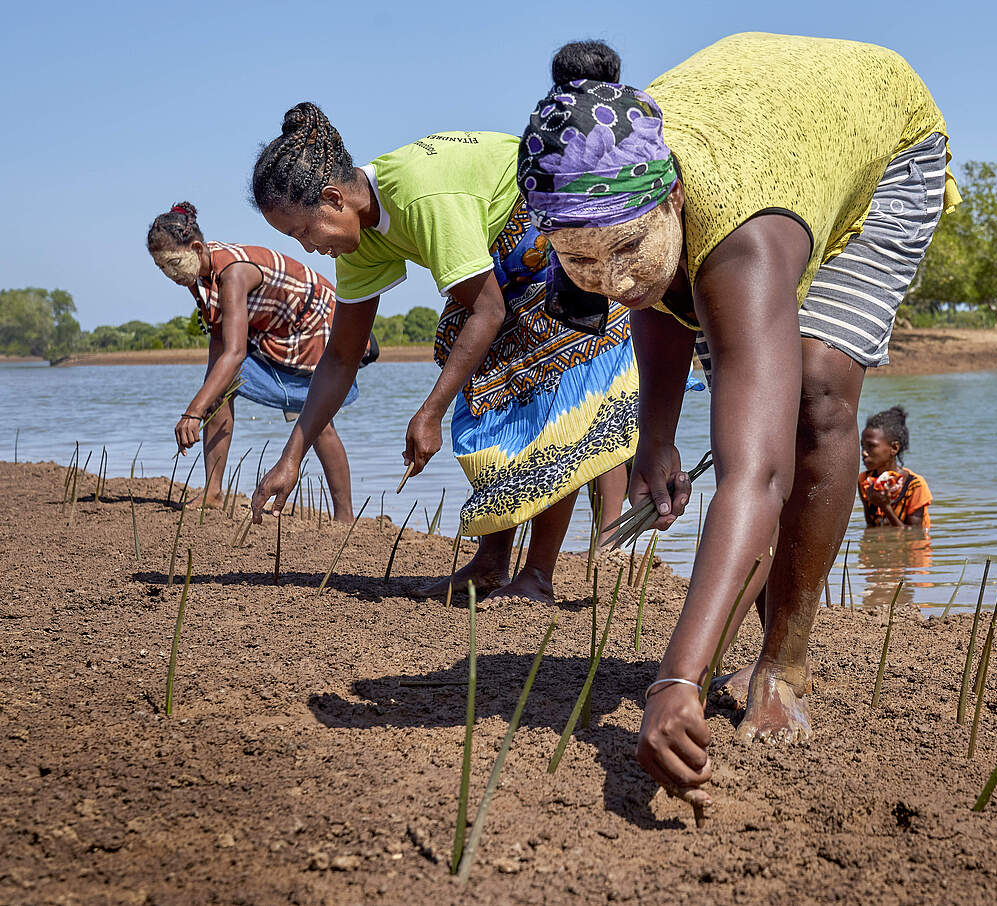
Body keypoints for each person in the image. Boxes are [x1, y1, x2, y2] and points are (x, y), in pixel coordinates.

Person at [516, 33, 959, 798]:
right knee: (700, 319)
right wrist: (654, 436)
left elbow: (756, 476)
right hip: (760, 128)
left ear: (675, 197)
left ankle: (785, 658)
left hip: (881, 138)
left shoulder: (741, 235)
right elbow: (656, 288)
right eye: (581, 261)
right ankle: (736, 632)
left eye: (623, 246)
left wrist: (673, 681)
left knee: (814, 392)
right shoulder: (590, 190)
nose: (609, 280)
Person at [246, 96, 638, 605]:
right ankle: (493, 563)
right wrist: (291, 457)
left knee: (550, 399)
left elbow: (489, 312)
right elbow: (341, 357)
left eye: (303, 231)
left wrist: (431, 411)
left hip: (546, 229)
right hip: (498, 258)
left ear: (333, 197)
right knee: (482, 382)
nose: (307, 247)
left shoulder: (419, 195)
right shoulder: (358, 239)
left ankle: (537, 574)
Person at [146, 201, 360, 520]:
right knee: (219, 389)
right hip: (274, 331)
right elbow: (220, 344)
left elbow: (235, 354)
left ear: (195, 247)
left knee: (316, 417)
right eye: (162, 267)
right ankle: (213, 492)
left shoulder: (232, 273)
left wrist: (193, 412)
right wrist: (208, 396)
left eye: (174, 262)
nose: (170, 273)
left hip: (313, 324)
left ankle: (344, 516)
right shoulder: (199, 278)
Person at [858, 406, 932, 528]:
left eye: (871, 446)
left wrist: (885, 507)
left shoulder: (914, 485)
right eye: (862, 446)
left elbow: (914, 535)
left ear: (894, 448)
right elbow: (871, 526)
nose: (863, 453)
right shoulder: (865, 480)